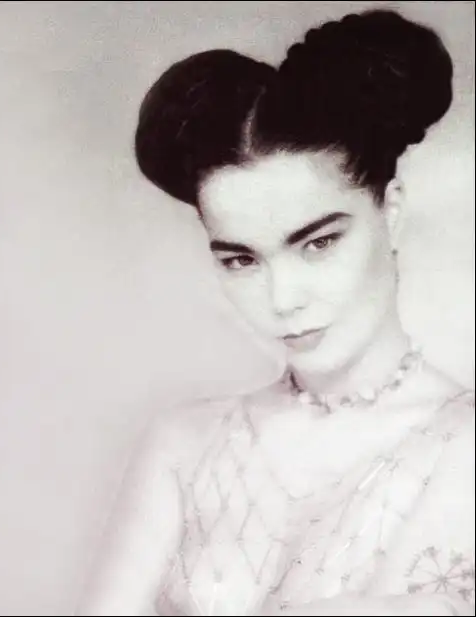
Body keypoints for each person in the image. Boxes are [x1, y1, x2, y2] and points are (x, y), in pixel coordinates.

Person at [75, 8, 475, 617]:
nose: (282, 298)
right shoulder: (182, 448)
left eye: (318, 243)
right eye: (241, 260)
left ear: (389, 210)